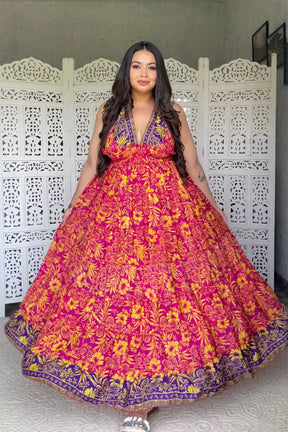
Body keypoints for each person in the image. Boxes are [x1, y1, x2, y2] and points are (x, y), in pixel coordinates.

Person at [5, 41, 288, 432]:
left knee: (165, 299)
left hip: (169, 217)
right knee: (118, 297)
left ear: (159, 74)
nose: (143, 73)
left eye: (151, 67)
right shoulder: (108, 111)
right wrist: (72, 209)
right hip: (114, 219)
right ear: (126, 71)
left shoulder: (173, 113)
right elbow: (92, 163)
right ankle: (127, 385)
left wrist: (213, 208)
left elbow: (191, 164)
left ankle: (148, 393)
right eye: (136, 66)